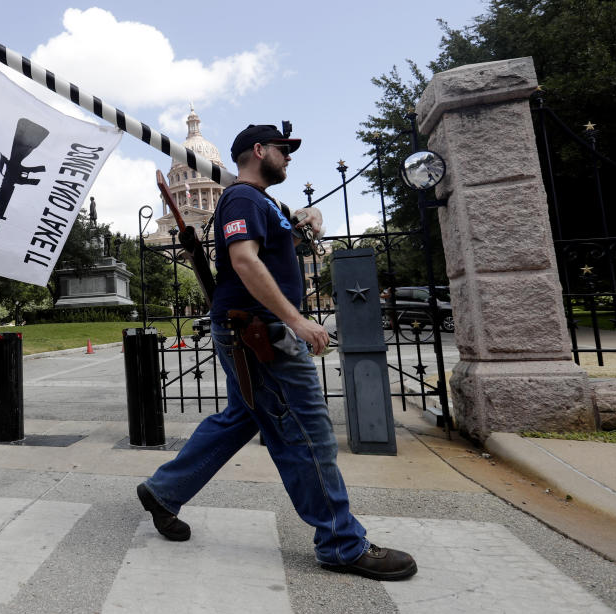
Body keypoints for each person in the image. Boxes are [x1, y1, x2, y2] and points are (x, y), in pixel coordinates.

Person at [136, 123, 417, 581]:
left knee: (243, 417)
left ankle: (165, 490)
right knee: (308, 434)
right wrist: (296, 319)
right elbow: (245, 260)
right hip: (260, 334)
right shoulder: (242, 199)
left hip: (252, 331)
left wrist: (307, 216)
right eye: (283, 150)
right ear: (259, 151)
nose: (289, 158)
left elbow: (276, 239)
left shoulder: (261, 201)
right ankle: (341, 543)